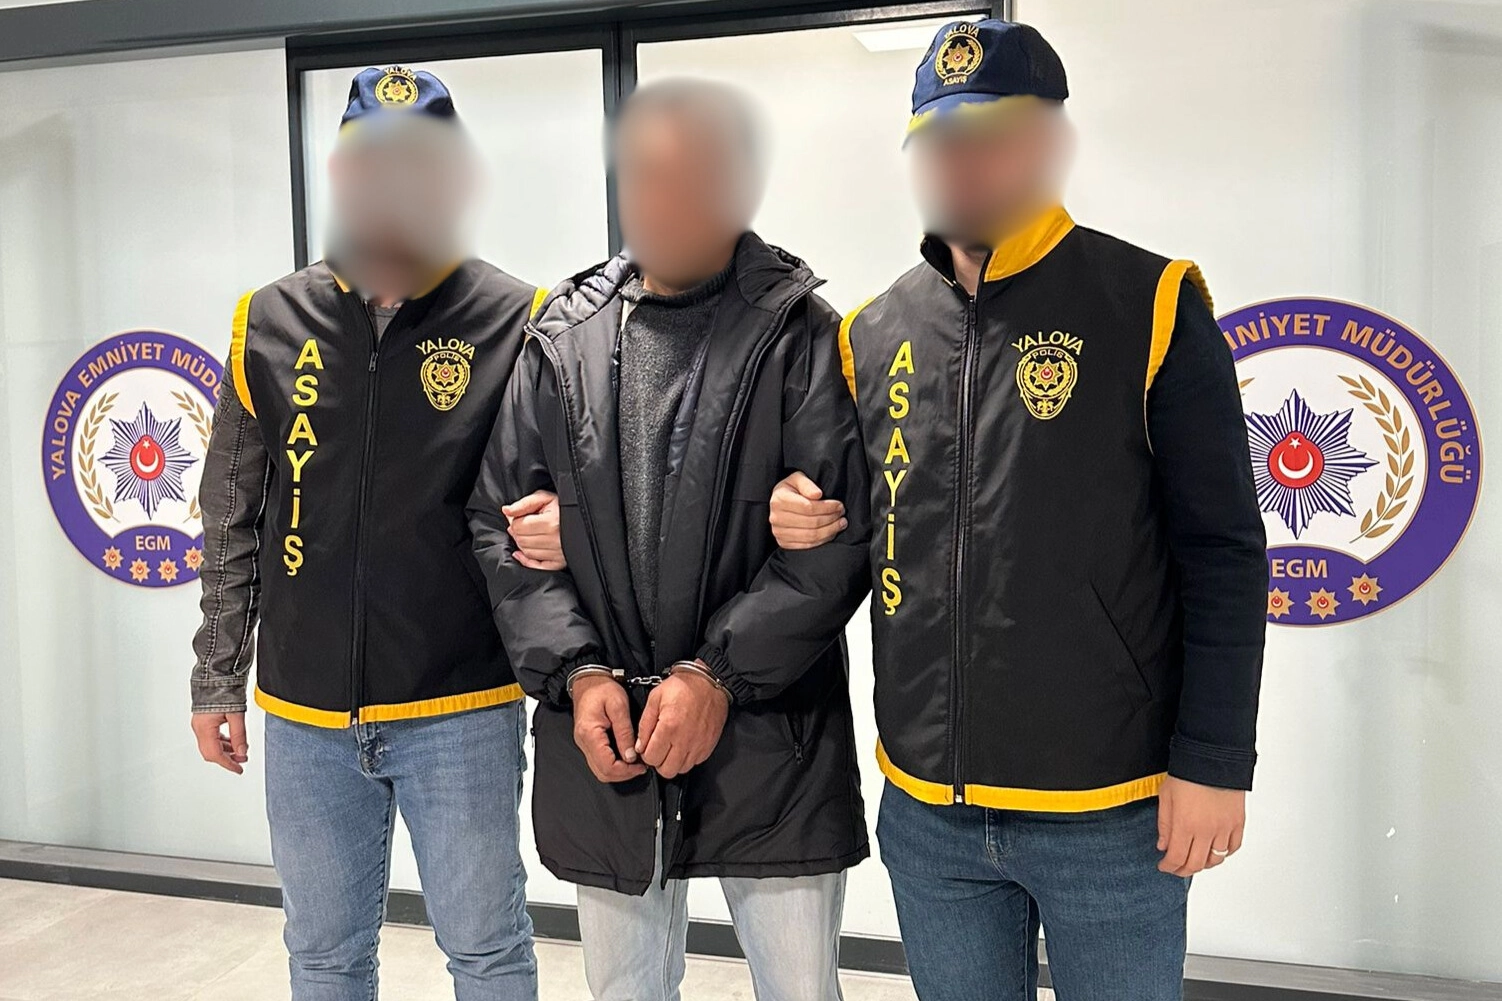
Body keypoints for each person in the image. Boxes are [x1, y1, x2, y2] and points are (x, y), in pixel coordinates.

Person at [769, 20, 1267, 1001]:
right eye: (939, 139)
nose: (963, 162)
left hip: (1108, 809)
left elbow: (1222, 550)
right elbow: (877, 527)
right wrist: (803, 514)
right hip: (929, 810)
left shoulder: (1150, 301)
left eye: (991, 135)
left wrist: (1214, 760)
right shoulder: (871, 331)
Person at [468, 79, 871, 1001]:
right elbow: (499, 522)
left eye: (692, 178)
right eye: (644, 176)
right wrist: (579, 674)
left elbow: (836, 539)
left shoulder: (799, 332)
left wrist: (716, 676)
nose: (663, 201)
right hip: (608, 738)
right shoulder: (560, 336)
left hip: (774, 740)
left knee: (801, 991)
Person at [188, 66, 554, 1001]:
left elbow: (563, 492)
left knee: (486, 947)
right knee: (323, 955)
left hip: (460, 702)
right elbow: (231, 513)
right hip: (306, 713)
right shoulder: (266, 322)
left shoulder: (518, 319)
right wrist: (217, 675)